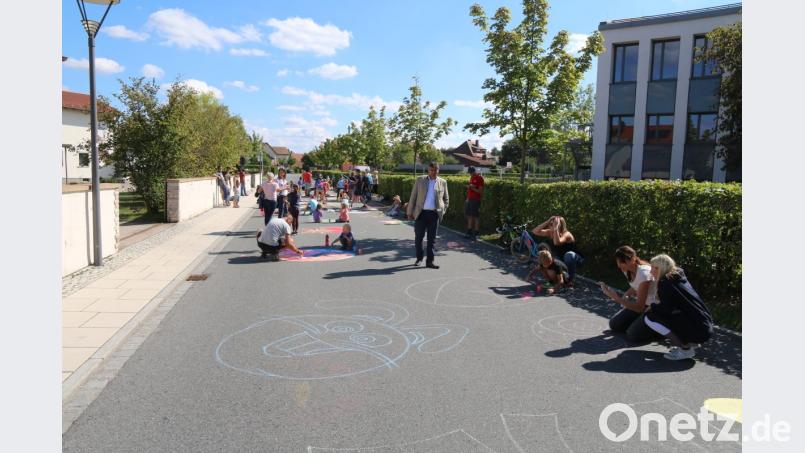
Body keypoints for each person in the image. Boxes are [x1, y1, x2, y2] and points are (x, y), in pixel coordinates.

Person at [643, 254, 714, 360]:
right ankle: (690, 342)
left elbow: (666, 309)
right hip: (705, 325)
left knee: (650, 317)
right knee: (670, 313)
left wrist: (652, 307)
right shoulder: (678, 276)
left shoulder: (665, 282)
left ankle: (685, 349)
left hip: (699, 330)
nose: (651, 271)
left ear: (662, 268)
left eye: (655, 268)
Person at [600, 246, 662, 343]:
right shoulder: (627, 269)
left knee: (632, 335)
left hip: (653, 307)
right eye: (618, 262)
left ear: (633, 259)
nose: (620, 266)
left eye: (622, 262)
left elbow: (639, 308)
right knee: (614, 324)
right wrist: (627, 293)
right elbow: (636, 286)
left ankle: (660, 329)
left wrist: (616, 298)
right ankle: (641, 322)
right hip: (643, 306)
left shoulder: (644, 273)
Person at [407, 162, 450, 269]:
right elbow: (413, 197)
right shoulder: (420, 180)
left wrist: (442, 211)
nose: (433, 172)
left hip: (434, 215)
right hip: (421, 213)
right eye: (431, 170)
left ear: (438, 170)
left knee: (432, 240)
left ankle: (430, 262)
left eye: (435, 170)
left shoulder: (443, 182)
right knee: (418, 238)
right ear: (428, 170)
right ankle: (419, 258)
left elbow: (446, 199)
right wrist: (409, 212)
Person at [532, 215, 583, 286]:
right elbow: (535, 231)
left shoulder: (567, 234)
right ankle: (557, 280)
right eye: (550, 224)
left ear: (559, 226)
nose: (550, 226)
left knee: (569, 255)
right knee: (549, 260)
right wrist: (547, 221)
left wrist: (555, 228)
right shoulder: (550, 232)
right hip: (561, 259)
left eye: (552, 224)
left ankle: (570, 280)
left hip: (575, 259)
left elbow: (557, 242)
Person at [464, 166, 484, 240]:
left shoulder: (480, 178)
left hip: (476, 200)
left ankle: (476, 232)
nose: (470, 174)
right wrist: (467, 198)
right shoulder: (472, 178)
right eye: (469, 173)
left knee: (476, 216)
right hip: (470, 199)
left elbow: (480, 191)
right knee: (469, 215)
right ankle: (469, 231)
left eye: (471, 173)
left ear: (474, 172)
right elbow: (471, 188)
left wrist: (471, 187)